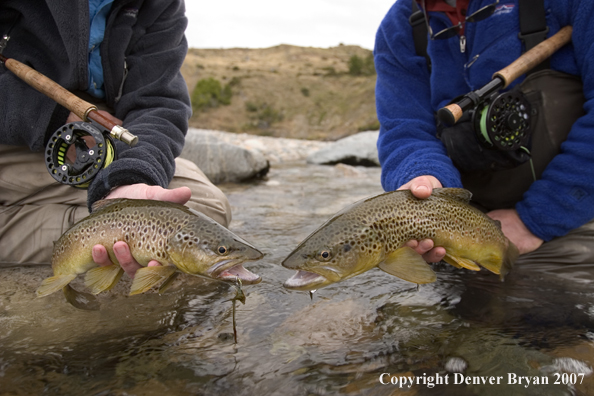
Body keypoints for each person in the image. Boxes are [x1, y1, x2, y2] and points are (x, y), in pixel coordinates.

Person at [0, 1, 231, 276]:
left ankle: (91, 245)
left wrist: (130, 177)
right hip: (14, 124)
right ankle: (86, 246)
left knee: (207, 208)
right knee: (190, 239)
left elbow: (157, 101)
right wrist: (53, 119)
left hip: (91, 130)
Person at [374, 0, 594, 265]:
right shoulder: (399, 25)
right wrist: (421, 178)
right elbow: (405, 129)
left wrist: (536, 219)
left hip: (575, 206)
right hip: (463, 221)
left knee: (550, 302)